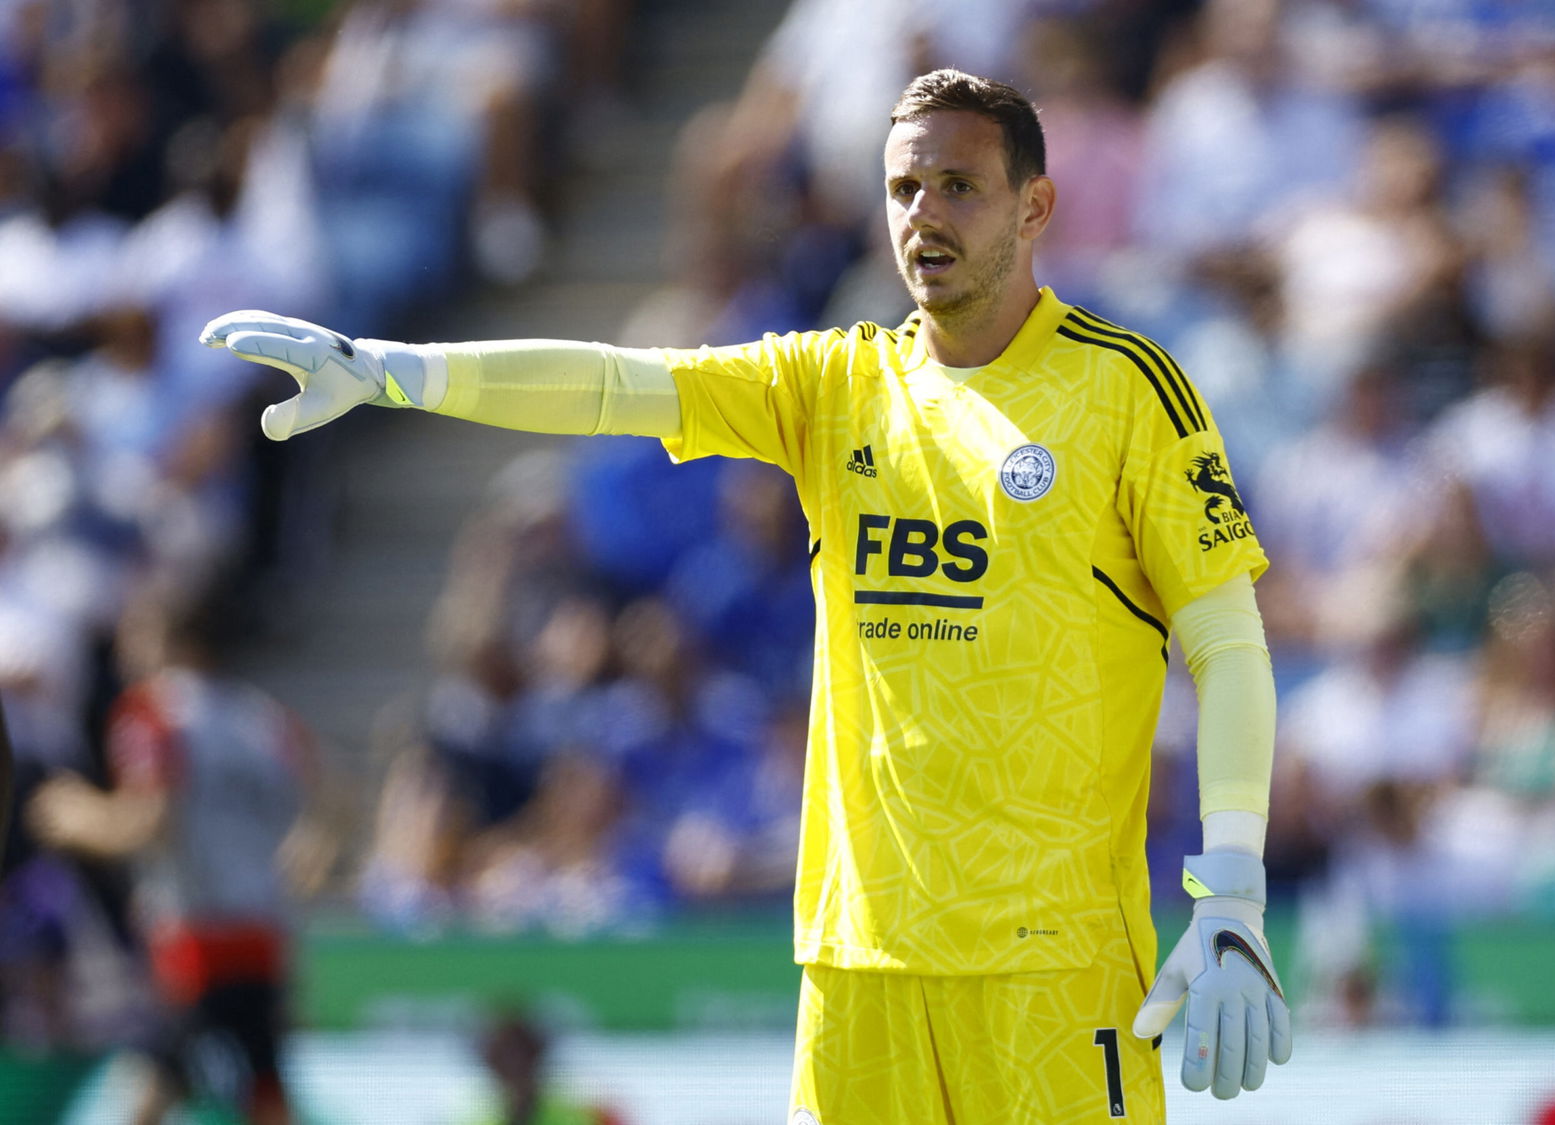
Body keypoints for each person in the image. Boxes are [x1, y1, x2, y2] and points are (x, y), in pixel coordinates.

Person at [201, 69, 1291, 1122]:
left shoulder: (1125, 388)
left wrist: (1231, 889)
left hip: (1053, 970)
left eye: (960, 184)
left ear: (1034, 204)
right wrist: (396, 369)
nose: (925, 214)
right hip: (857, 962)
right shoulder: (836, 384)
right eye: (905, 187)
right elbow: (614, 388)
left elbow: (1228, 641)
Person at [26, 582, 323, 1125]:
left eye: (137, 633)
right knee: (261, 1080)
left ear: (171, 639)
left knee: (154, 1079)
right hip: (262, 927)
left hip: (196, 934)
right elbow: (324, 816)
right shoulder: (265, 718)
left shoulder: (155, 711)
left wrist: (73, 816)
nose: (126, 649)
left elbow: (149, 820)